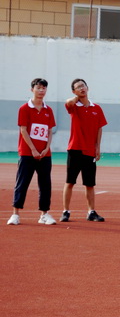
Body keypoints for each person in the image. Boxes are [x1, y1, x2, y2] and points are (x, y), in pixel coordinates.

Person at [8, 78, 57, 226]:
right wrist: (34, 149)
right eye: (39, 88)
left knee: (45, 184)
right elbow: (23, 130)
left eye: (44, 88)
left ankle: (44, 214)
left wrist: (46, 148)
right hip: (27, 153)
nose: (41, 91)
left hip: (44, 154)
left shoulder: (48, 110)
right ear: (32, 89)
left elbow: (49, 131)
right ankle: (15, 214)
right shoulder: (24, 108)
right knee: (22, 183)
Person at [61, 78, 107, 222]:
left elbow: (100, 128)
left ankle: (91, 212)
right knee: (70, 182)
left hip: (89, 151)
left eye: (83, 86)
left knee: (90, 184)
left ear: (88, 87)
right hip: (75, 149)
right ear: (74, 91)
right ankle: (66, 211)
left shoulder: (96, 108)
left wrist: (97, 147)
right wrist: (77, 96)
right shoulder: (74, 106)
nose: (82, 88)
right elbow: (68, 103)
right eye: (78, 87)